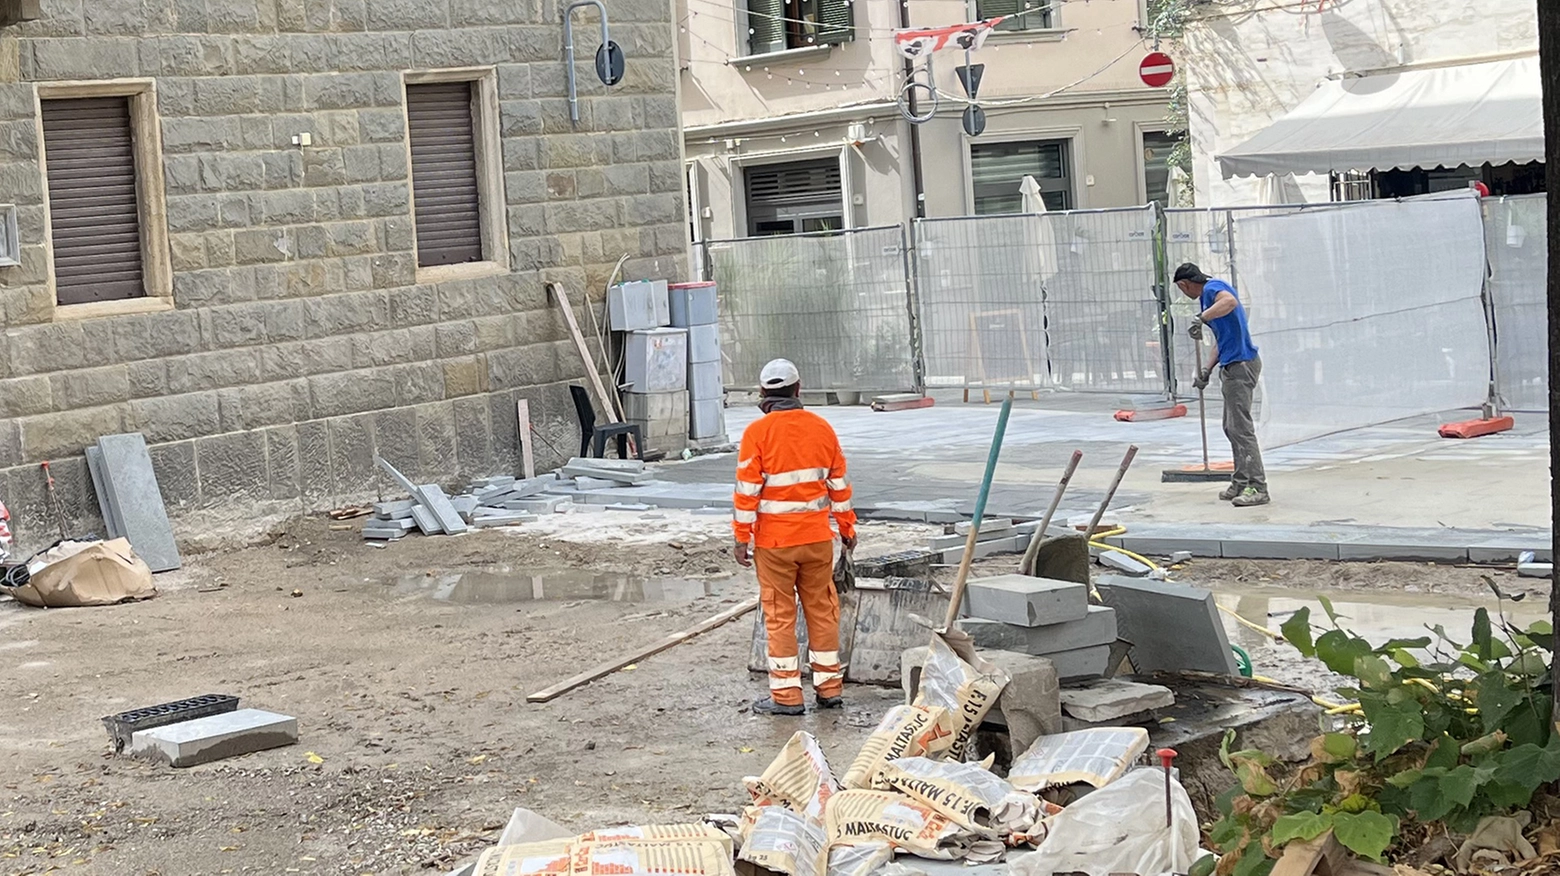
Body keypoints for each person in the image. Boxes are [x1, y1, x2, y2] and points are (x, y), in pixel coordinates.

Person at [732, 358, 858, 716]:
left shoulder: (757, 434)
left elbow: (747, 493)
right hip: (817, 540)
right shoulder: (822, 429)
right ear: (798, 390)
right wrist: (847, 529)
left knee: (779, 614)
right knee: (822, 610)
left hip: (774, 545)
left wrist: (741, 538)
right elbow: (839, 488)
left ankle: (787, 697)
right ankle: (829, 690)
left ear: (763, 394)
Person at [1174, 262, 1269, 507]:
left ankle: (1257, 486)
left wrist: (1201, 318)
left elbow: (1231, 302)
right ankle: (1240, 480)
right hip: (1231, 363)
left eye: (1182, 289)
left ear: (1184, 285)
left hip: (1241, 364)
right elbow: (1221, 340)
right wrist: (1206, 369)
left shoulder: (1213, 289)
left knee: (1241, 429)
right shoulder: (1208, 299)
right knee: (1231, 427)